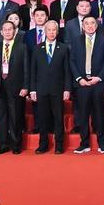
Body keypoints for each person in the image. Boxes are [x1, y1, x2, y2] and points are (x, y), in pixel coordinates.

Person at [69, 15, 104, 154]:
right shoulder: (76, 40)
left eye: (92, 23)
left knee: (100, 114)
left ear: (96, 25)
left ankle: (102, 144)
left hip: (98, 83)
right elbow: (72, 61)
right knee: (83, 115)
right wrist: (79, 79)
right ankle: (84, 144)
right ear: (83, 26)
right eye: (86, 23)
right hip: (81, 84)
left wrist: (98, 78)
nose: (90, 25)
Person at [0, 19, 29, 155]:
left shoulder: (22, 47)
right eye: (5, 29)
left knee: (15, 116)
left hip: (16, 87)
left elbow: (26, 69)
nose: (7, 32)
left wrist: (25, 86)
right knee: (1, 117)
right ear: (1, 32)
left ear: (15, 31)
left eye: (10, 29)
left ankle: (16, 145)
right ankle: (3, 145)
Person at [29, 21, 69, 154]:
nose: (51, 33)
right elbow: (33, 70)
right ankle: (43, 144)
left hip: (58, 89)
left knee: (58, 118)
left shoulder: (63, 48)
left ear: (57, 32)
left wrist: (67, 89)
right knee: (42, 118)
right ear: (45, 32)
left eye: (54, 30)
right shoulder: (37, 48)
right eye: (49, 30)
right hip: (41, 89)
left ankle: (59, 145)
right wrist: (32, 89)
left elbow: (67, 71)